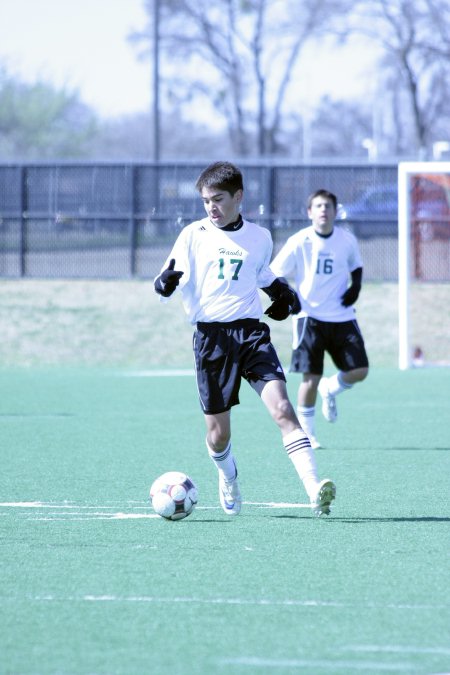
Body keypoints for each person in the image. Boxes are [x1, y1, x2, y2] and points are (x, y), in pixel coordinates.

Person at [154, 162, 336, 517]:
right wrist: (164, 284)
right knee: (218, 436)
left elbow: (260, 271)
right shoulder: (193, 234)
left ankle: (314, 489)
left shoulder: (260, 236)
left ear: (238, 196)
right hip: (212, 340)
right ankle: (228, 477)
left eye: (218, 199)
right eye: (206, 201)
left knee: (283, 410)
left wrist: (280, 291)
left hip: (252, 335)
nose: (211, 208)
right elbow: (167, 276)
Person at [270, 188, 369, 449]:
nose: (323, 210)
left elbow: (356, 265)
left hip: (342, 316)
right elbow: (275, 273)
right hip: (309, 317)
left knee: (360, 370)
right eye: (318, 206)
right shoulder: (299, 241)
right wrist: (290, 297)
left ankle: (331, 389)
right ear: (309, 212)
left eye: (328, 206)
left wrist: (355, 286)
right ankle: (308, 435)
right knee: (310, 379)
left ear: (336, 211)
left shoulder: (347, 240)